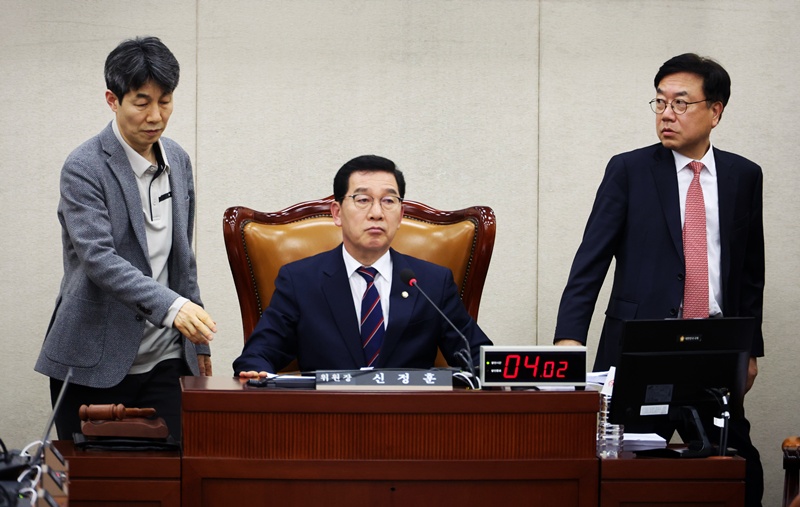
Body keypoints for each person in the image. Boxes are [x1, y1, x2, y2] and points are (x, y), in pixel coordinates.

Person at [554, 53, 764, 506]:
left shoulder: (743, 177)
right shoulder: (629, 171)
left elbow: (750, 272)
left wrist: (751, 350)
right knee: (623, 480)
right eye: (660, 102)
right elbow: (590, 261)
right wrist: (569, 338)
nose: (667, 114)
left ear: (716, 111)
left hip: (712, 348)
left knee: (740, 473)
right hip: (639, 348)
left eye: (681, 103)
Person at [35, 36, 216, 442]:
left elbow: (182, 258)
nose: (155, 115)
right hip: (93, 362)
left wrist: (199, 344)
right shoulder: (83, 166)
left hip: (168, 360)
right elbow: (99, 259)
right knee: (96, 490)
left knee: (180, 483)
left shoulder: (178, 159)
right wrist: (172, 306)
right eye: (141, 101)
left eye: (165, 101)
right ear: (112, 100)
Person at [234, 155, 492, 376]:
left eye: (389, 201)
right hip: (325, 422)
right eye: (363, 200)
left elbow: (478, 357)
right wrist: (257, 371)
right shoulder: (300, 280)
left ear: (401, 215)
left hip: (411, 423)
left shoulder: (431, 282)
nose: (377, 213)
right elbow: (259, 354)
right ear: (337, 213)